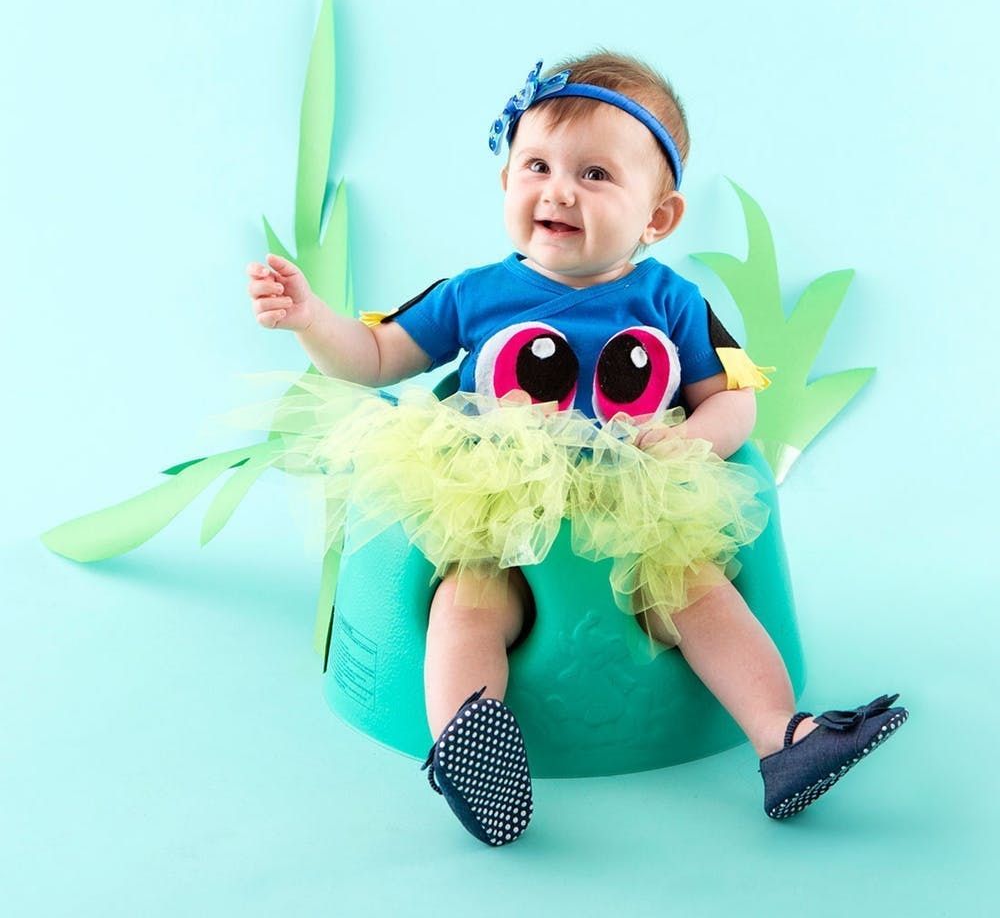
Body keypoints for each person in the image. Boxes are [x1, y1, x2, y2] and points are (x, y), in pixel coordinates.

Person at [245, 52, 907, 846]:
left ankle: (783, 740)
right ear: (506, 181)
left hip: (636, 508)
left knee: (699, 596)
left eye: (594, 174)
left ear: (658, 217)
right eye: (537, 166)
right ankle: (469, 746)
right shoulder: (475, 293)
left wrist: (692, 442)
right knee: (469, 603)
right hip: (497, 506)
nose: (558, 191)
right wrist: (313, 321)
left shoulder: (672, 300)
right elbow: (376, 357)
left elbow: (734, 399)